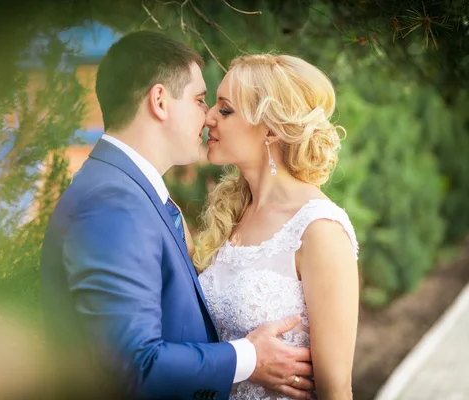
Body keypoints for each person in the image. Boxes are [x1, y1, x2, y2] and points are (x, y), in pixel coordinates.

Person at [40, 31, 315, 400]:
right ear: (160, 101)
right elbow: (134, 367)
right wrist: (250, 357)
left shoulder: (130, 189)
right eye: (201, 101)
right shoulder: (114, 201)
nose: (208, 118)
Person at [195, 53, 359, 400]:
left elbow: (337, 388)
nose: (208, 117)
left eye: (225, 109)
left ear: (270, 127)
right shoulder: (232, 212)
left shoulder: (319, 229)